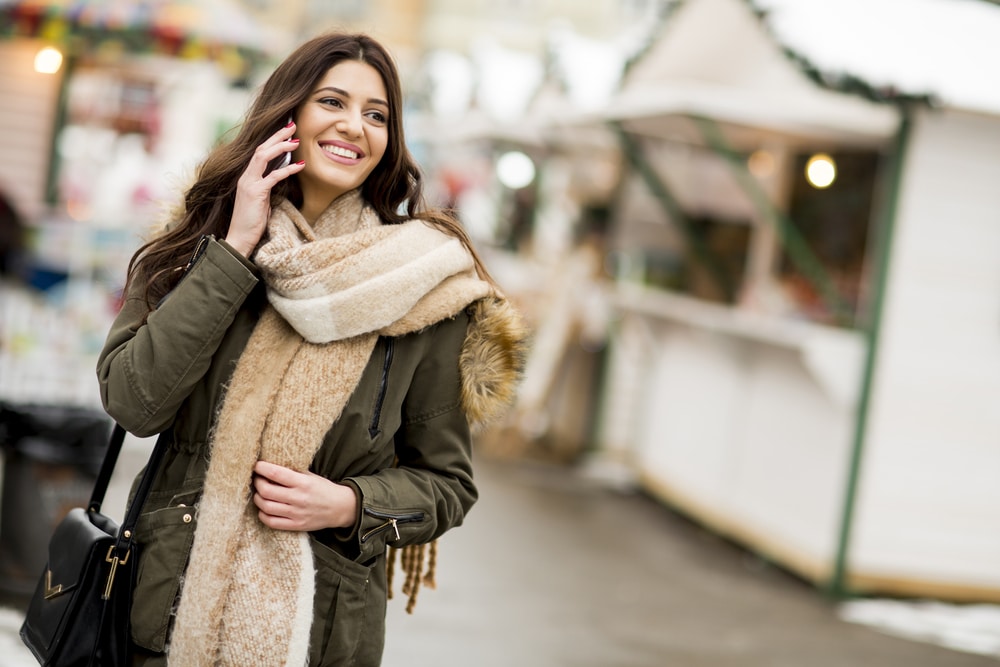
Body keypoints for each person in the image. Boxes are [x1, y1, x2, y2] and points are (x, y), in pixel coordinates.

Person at [97, 32, 525, 667]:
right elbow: (136, 402)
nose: (354, 126)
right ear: (288, 113)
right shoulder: (194, 245)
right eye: (333, 101)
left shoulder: (422, 286)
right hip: (166, 621)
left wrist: (350, 503)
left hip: (319, 634)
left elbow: (447, 484)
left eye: (377, 114)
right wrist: (234, 248)